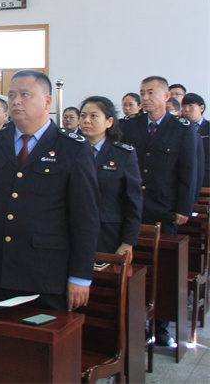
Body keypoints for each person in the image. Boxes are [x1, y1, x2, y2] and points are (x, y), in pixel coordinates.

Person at [0, 70, 100, 312]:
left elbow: (85, 218)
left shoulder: (72, 149)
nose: (16, 101)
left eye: (25, 94)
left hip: (45, 273)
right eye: (11, 95)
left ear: (47, 101)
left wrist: (80, 276)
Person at [119, 76, 197, 346]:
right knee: (132, 265)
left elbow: (188, 170)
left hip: (163, 208)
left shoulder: (182, 128)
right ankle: (130, 321)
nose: (145, 97)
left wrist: (183, 208)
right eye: (142, 92)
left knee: (161, 269)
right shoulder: (129, 125)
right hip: (130, 206)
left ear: (166, 97)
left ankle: (161, 325)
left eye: (150, 92)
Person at [78, 96, 143, 255]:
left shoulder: (123, 155)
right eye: (83, 116)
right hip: (74, 230)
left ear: (109, 122)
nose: (86, 120)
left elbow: (133, 202)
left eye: (93, 116)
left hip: (108, 233)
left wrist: (128, 242)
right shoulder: (70, 151)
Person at [182, 93, 209, 189]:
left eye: (191, 106)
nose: (186, 109)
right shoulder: (178, 129)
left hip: (206, 178)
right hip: (184, 178)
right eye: (184, 106)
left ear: (201, 108)